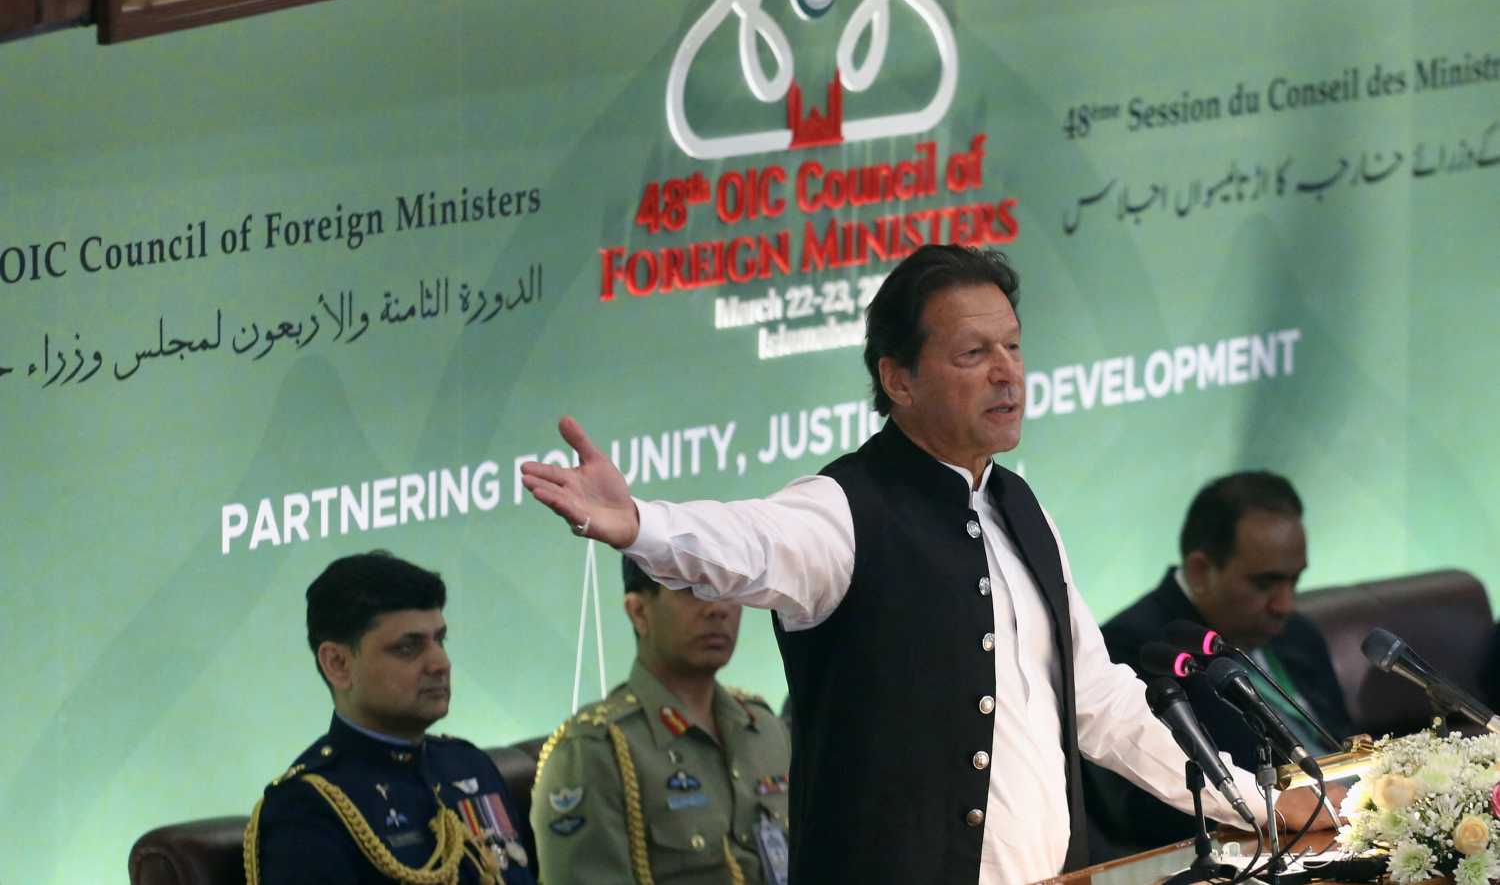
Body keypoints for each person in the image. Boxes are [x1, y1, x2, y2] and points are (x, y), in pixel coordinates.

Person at [520, 244, 1330, 884]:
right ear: (897, 378)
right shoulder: (844, 509)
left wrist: (1250, 802)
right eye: (974, 352)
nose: (1007, 371)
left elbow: (1102, 702)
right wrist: (636, 524)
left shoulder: (1021, 506)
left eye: (1013, 346)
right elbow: (747, 545)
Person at [1084, 471, 1355, 856]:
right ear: (1200, 571)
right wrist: (1272, 808)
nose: (1285, 604)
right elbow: (1139, 810)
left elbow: (1343, 742)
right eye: (1265, 584)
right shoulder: (1131, 648)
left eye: (1295, 581)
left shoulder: (1298, 632)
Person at [245, 551, 536, 885]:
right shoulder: (307, 808)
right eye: (408, 648)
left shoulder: (468, 765)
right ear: (338, 664)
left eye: (440, 640)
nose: (440, 663)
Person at [530, 557, 792, 884]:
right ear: (639, 612)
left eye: (728, 588)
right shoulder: (594, 750)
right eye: (693, 590)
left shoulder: (765, 730)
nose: (718, 608)